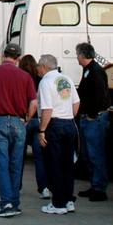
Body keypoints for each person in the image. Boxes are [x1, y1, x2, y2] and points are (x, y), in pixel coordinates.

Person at [0, 43, 38, 217]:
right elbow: (34, 103)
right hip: (18, 121)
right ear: (18, 58)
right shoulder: (26, 77)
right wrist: (27, 118)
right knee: (16, 164)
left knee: (2, 164)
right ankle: (15, 202)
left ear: (3, 55)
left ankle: (6, 203)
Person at [35, 54, 79, 215]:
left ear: (44, 67)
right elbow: (76, 102)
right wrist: (69, 114)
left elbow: (47, 109)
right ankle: (68, 200)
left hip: (54, 125)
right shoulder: (65, 79)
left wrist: (42, 130)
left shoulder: (45, 82)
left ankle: (58, 203)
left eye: (38, 66)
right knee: (67, 164)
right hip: (69, 123)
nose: (37, 69)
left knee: (54, 164)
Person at [75, 41, 110, 202]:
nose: (77, 57)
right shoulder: (87, 70)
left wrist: (92, 114)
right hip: (87, 118)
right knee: (88, 155)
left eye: (77, 54)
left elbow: (100, 95)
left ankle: (100, 189)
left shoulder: (96, 71)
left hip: (94, 119)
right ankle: (94, 185)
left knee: (96, 154)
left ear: (82, 55)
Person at [19, 54, 48, 201]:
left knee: (19, 156)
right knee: (39, 157)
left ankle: (16, 186)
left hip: (24, 119)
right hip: (38, 120)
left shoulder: (20, 79)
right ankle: (43, 188)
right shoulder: (41, 80)